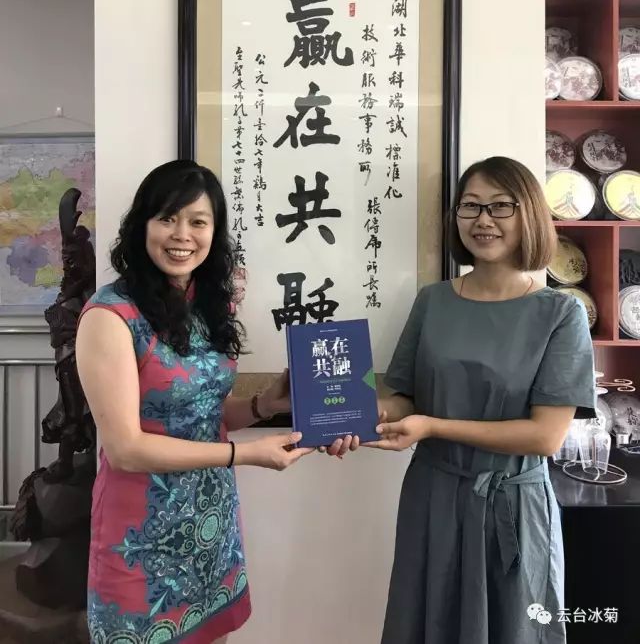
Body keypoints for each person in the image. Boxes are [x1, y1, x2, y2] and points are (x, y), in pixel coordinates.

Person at [76, 160, 313, 644]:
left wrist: (263, 406)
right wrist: (244, 454)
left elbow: (199, 414)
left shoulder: (208, 306)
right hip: (140, 540)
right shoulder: (110, 315)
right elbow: (126, 449)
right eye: (167, 218)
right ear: (142, 225)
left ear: (214, 232)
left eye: (198, 221)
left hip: (210, 526)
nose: (182, 235)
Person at [366, 156, 596, 644]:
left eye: (499, 206)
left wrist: (433, 427)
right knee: (426, 622)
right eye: (470, 206)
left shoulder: (561, 313)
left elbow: (545, 436)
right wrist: (361, 413)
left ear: (528, 213)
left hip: (513, 503)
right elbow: (404, 399)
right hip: (432, 497)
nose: (483, 219)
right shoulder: (432, 300)